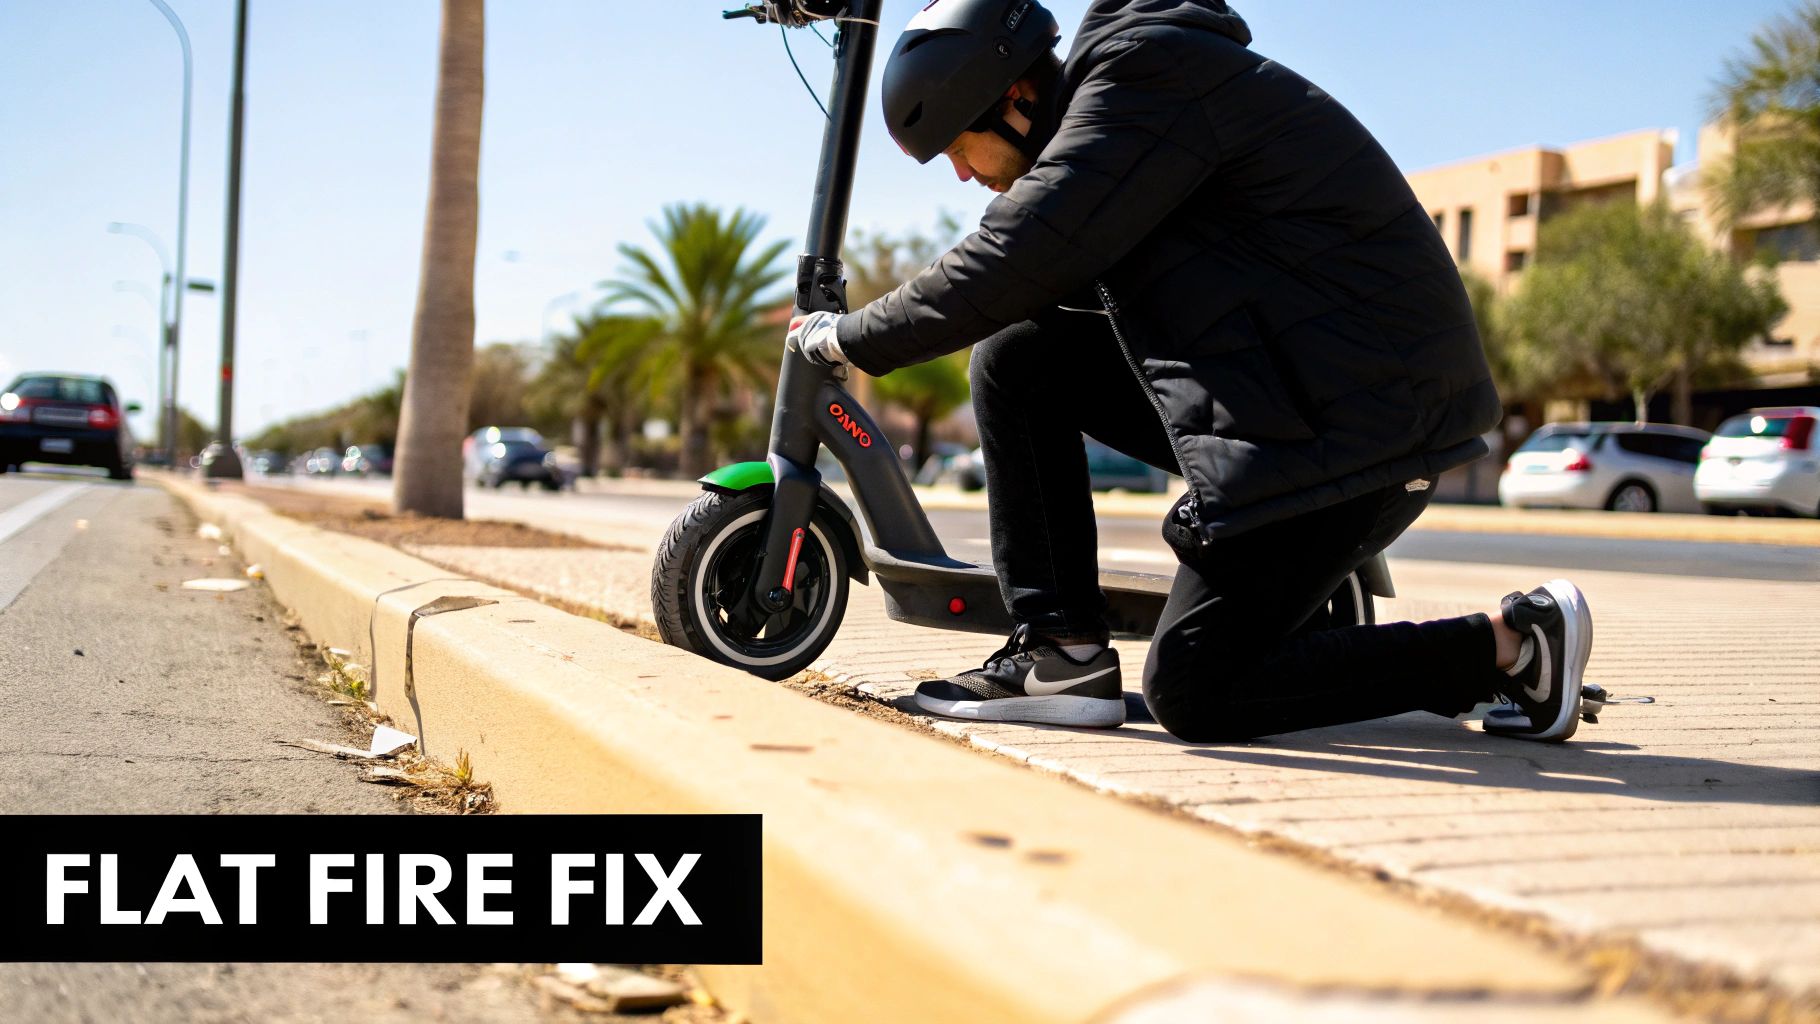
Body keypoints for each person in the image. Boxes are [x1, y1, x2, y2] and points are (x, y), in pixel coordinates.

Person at [785, 0, 1593, 743]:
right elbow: (1035, 275)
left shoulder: (1145, 84)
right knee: (1021, 357)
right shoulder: (1127, 113)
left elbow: (1018, 254)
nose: (963, 174)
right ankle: (1063, 653)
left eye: (961, 148)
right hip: (1306, 407)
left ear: (1015, 97)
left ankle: (1516, 647)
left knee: (1196, 689)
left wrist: (848, 337)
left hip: (1366, 429)